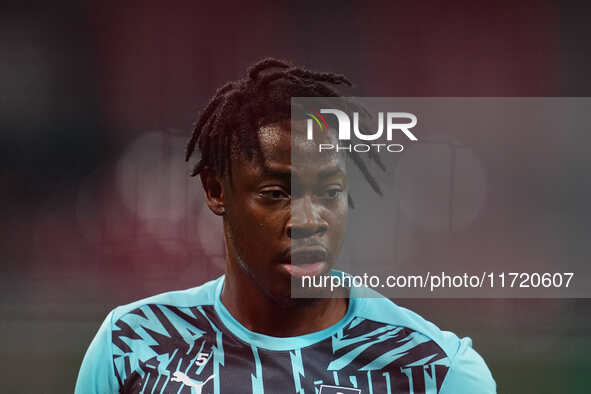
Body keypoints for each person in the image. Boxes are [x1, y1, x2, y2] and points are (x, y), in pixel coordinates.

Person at [75, 58, 496, 394]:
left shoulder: (436, 371)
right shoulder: (130, 346)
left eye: (330, 192)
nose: (308, 221)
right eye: (277, 194)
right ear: (216, 190)